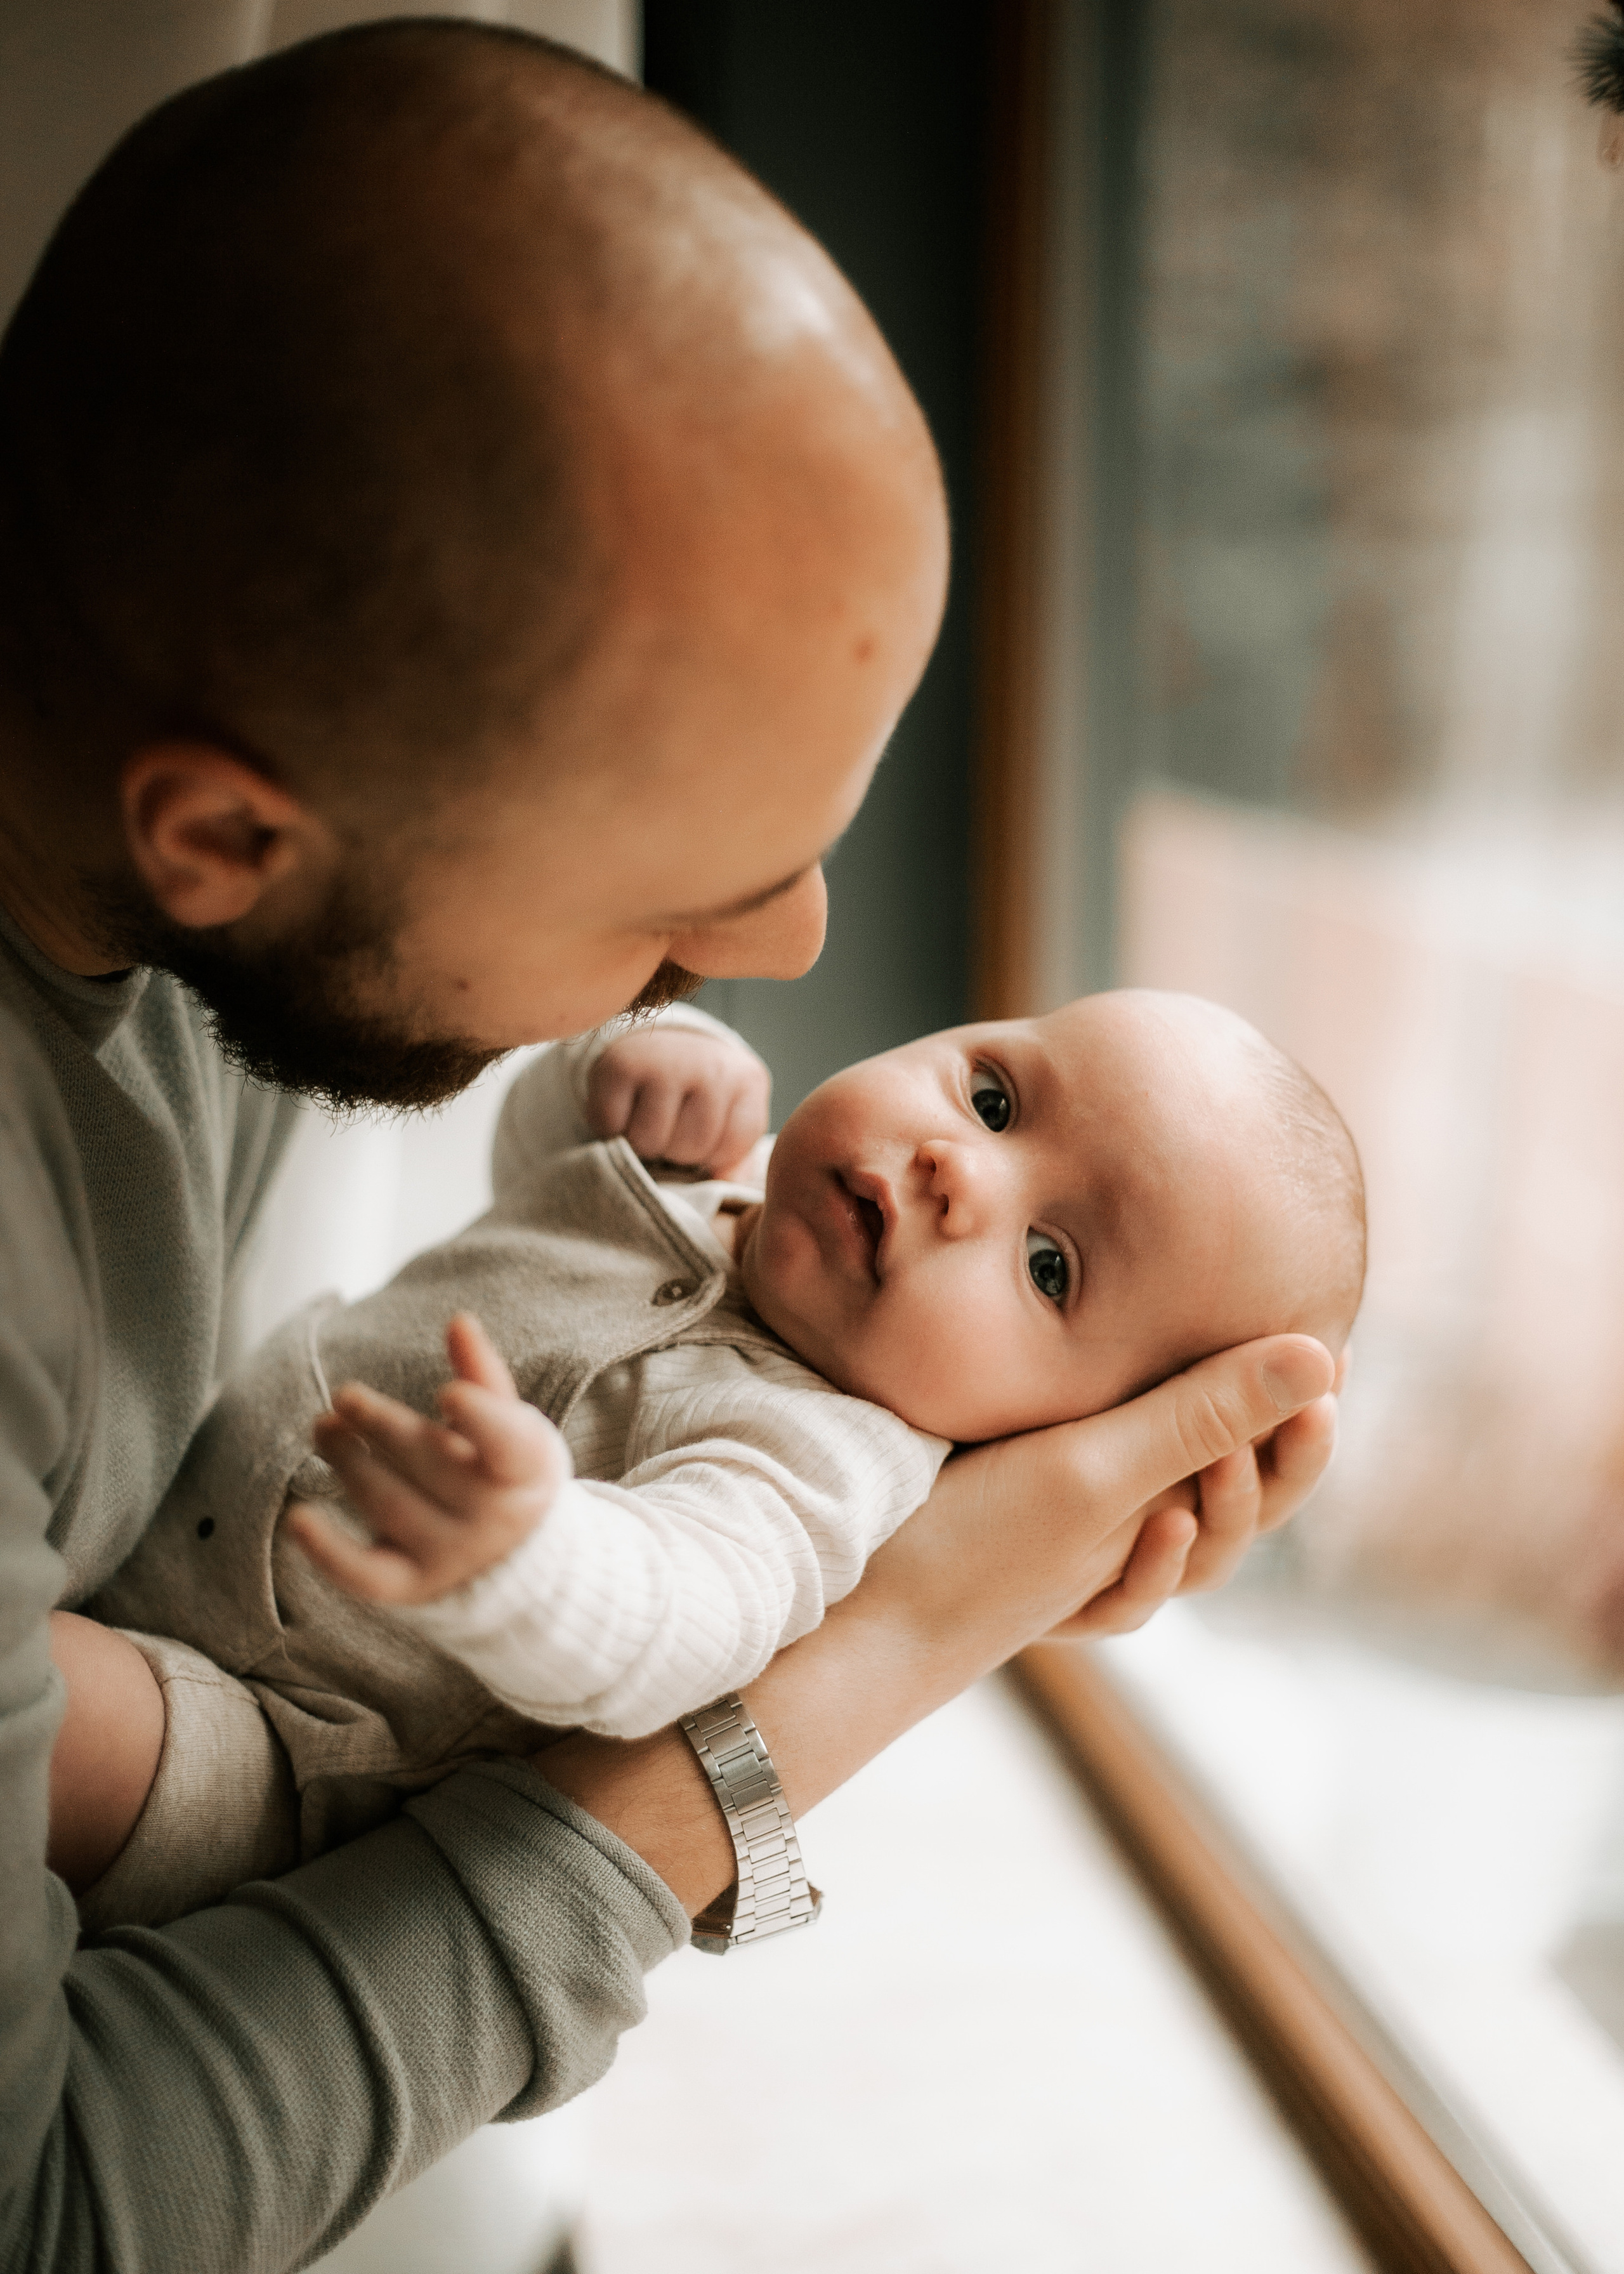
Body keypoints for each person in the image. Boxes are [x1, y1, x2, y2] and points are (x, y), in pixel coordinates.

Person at [0, 21, 1340, 2271]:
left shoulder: (170, 899)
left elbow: (652, 1585)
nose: (796, 941)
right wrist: (884, 1660)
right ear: (231, 831)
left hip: (277, 1723)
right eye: (687, 879)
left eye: (1052, 1266)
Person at [49, 988, 1363, 1935]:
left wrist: (531, 1559)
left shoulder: (819, 1464)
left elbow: (673, 1617)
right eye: (993, 1093)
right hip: (175, 1492)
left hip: (262, 1743)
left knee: (43, 1709)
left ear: (1059, 1444)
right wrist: (625, 1073)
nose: (958, 1168)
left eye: (1046, 1265)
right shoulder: (717, 1188)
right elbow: (535, 1186)